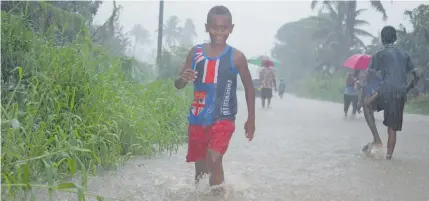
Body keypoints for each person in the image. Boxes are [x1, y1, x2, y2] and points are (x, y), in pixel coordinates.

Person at [174, 5, 256, 193]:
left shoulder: (237, 57)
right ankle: (202, 195)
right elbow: (178, 83)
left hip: (224, 118)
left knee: (214, 159)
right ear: (207, 27)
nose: (219, 32)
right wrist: (182, 78)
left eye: (224, 28)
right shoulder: (195, 53)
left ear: (231, 28)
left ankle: (218, 196)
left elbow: (250, 88)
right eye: (214, 27)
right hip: (198, 118)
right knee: (201, 168)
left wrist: (251, 119)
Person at [360, 25, 419, 160]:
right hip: (400, 94)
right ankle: (388, 158)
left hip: (384, 90)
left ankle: (377, 140)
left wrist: (367, 88)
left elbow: (369, 76)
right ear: (395, 38)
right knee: (392, 128)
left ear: (382, 39)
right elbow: (416, 76)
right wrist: (407, 89)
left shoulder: (379, 54)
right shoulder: (405, 54)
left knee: (366, 105)